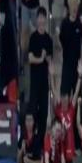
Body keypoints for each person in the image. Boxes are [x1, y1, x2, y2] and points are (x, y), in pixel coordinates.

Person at [29, 7, 53, 138]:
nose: (42, 20)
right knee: (33, 110)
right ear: (37, 19)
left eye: (44, 17)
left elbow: (50, 60)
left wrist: (47, 59)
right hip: (34, 81)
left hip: (44, 81)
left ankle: (42, 139)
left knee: (44, 111)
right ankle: (31, 138)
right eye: (40, 17)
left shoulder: (49, 39)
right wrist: (41, 58)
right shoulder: (33, 37)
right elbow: (30, 58)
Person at [59, 0, 82, 96]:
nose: (75, 8)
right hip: (66, 65)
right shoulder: (64, 23)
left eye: (77, 5)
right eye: (73, 5)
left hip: (77, 66)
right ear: (69, 6)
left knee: (78, 98)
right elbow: (61, 43)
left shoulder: (80, 24)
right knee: (64, 95)